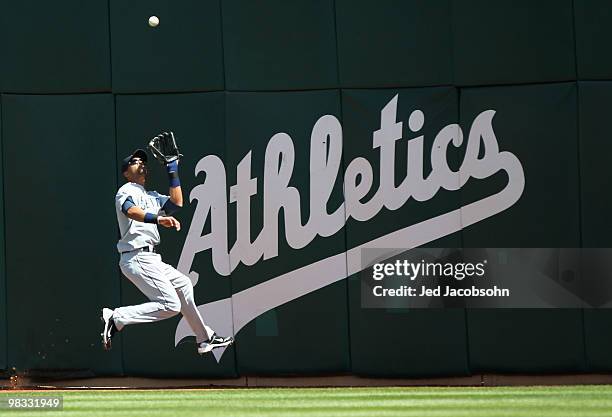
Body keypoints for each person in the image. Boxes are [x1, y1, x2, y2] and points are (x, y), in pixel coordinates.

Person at [100, 148, 234, 355]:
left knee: (184, 285)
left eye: (143, 161)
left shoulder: (151, 196)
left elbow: (176, 203)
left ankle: (204, 338)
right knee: (171, 305)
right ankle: (117, 317)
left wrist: (172, 170)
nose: (141, 163)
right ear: (126, 172)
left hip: (151, 257)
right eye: (135, 161)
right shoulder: (126, 190)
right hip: (136, 256)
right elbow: (131, 211)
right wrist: (158, 219)